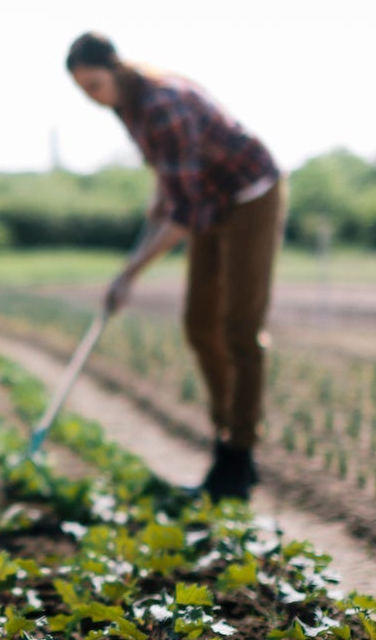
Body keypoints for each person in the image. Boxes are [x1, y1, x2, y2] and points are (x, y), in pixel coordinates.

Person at [66, 31, 284, 503]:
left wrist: (129, 274)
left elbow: (184, 216)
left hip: (250, 195)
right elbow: (174, 177)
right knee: (199, 326)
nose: (91, 97)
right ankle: (224, 435)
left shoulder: (164, 102)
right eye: (82, 89)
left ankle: (239, 457)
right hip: (208, 200)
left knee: (239, 327)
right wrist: (158, 200)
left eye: (94, 84)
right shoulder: (125, 105)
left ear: (117, 68)